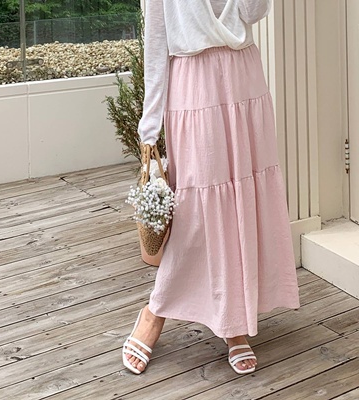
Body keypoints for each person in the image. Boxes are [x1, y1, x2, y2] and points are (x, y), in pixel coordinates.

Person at [122, 0, 300, 375]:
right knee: (197, 211)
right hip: (193, 86)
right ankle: (155, 311)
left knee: (242, 204)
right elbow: (156, 43)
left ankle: (234, 324)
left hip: (244, 80)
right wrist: (149, 128)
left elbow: (253, 12)